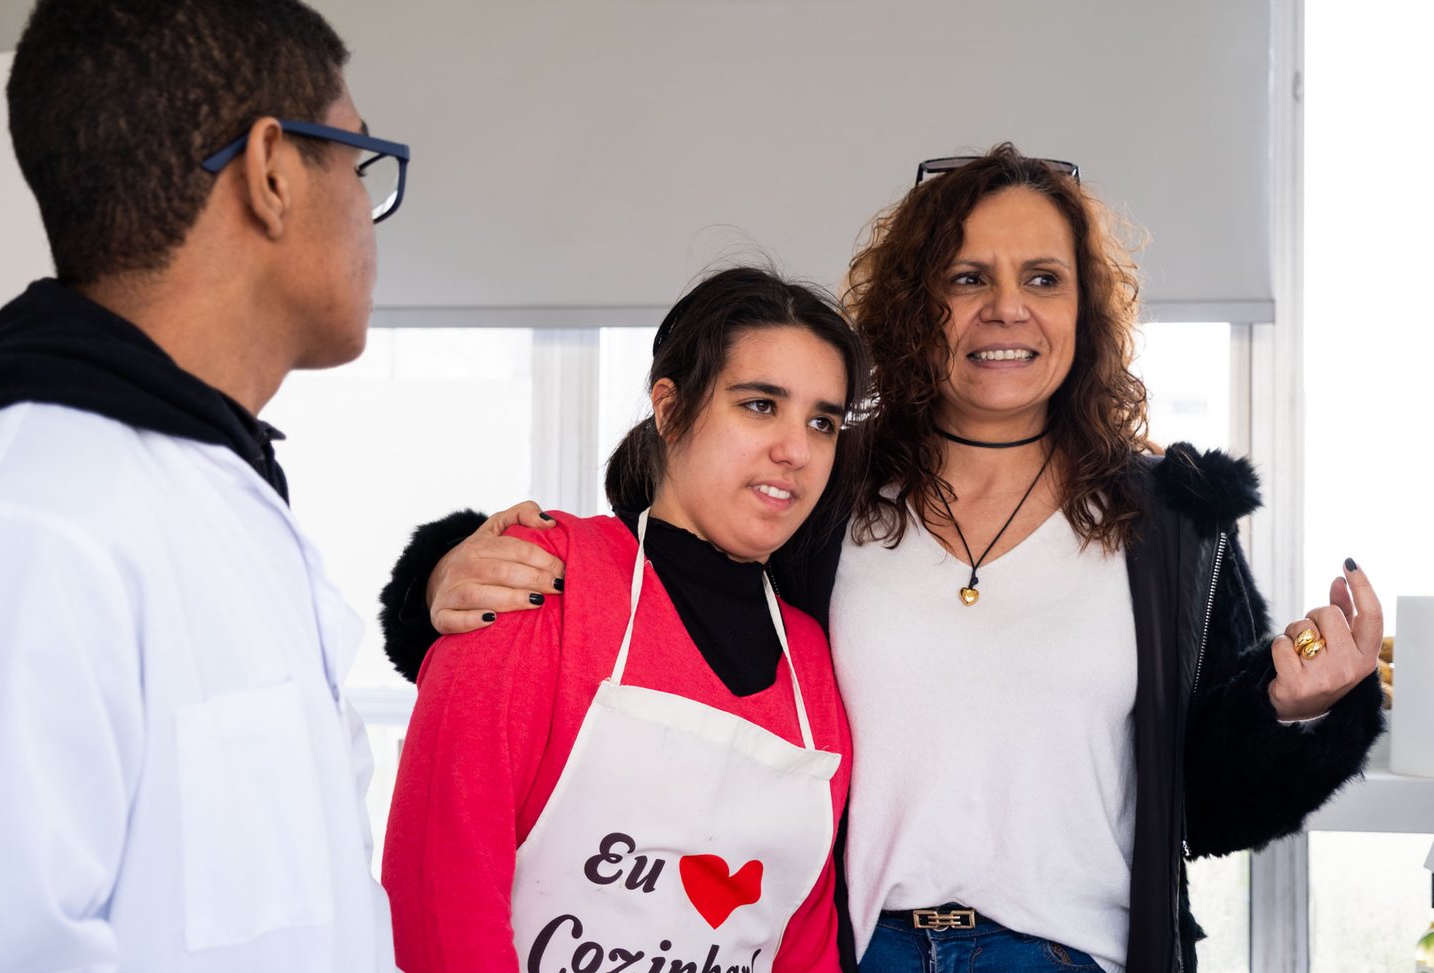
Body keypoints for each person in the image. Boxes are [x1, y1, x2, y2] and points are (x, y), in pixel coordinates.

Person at [379, 146, 1385, 973]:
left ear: (1084, 311)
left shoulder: (1170, 521)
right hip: (847, 951)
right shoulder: (823, 486)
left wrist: (1290, 710)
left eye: (1042, 278)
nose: (1006, 307)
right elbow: (651, 584)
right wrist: (442, 576)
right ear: (915, 304)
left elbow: (1204, 804)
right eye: (967, 277)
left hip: (1077, 954)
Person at [0, 1, 410, 969]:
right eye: (360, 161)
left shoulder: (217, 488)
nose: (369, 212)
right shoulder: (27, 518)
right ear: (271, 171)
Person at [380, 267, 867, 972]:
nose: (796, 449)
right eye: (760, 405)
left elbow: (804, 943)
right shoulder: (537, 580)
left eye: (823, 421)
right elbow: (441, 886)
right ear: (669, 409)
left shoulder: (813, 662)